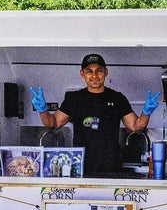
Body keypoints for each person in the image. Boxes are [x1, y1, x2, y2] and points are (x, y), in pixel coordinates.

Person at [31, 53, 160, 175]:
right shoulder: (74, 98)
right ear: (82, 74)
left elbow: (136, 126)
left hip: (111, 166)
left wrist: (146, 113)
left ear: (106, 72)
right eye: (89, 71)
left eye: (99, 70)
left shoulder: (117, 98)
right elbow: (53, 123)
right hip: (80, 165)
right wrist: (43, 110)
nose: (94, 75)